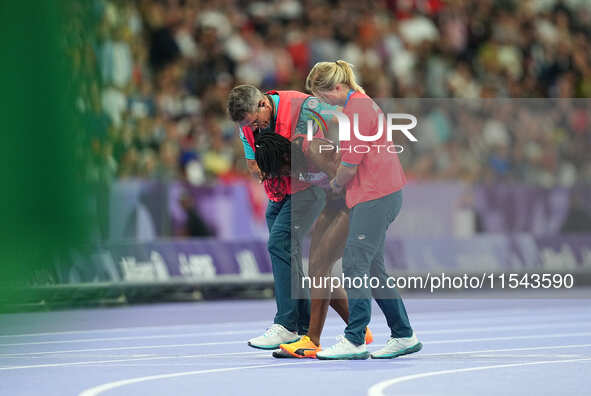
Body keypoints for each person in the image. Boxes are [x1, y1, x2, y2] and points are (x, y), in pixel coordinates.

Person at [305, 60, 422, 360]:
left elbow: (349, 165)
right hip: (379, 194)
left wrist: (331, 182)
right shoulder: (359, 106)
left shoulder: (358, 109)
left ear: (337, 88)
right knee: (373, 269)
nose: (322, 103)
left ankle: (355, 338)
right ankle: (404, 334)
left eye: (322, 96)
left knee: (355, 264)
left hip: (375, 196)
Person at [227, 85, 340, 352]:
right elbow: (254, 164)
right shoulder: (248, 122)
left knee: (279, 242)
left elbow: (328, 136)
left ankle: (286, 324)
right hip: (280, 190)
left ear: (264, 104)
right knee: (287, 252)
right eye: (247, 127)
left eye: (255, 123)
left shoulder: (303, 108)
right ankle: (301, 329)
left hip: (311, 186)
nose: (253, 130)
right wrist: (267, 168)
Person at [253, 132, 374, 358]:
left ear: (286, 159)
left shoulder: (314, 151)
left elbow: (350, 180)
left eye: (280, 171)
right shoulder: (293, 160)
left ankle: (316, 339)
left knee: (319, 266)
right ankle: (358, 328)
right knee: (319, 268)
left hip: (361, 198)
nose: (283, 176)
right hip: (335, 202)